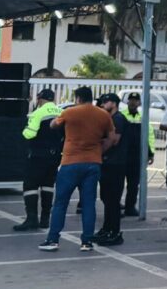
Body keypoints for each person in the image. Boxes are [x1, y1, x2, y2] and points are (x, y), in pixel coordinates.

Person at [38, 86, 117, 253]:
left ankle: (53, 239)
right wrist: (99, 151)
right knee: (89, 204)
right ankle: (86, 241)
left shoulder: (69, 112)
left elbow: (53, 125)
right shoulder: (103, 114)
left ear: (78, 98)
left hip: (70, 162)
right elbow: (111, 138)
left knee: (60, 203)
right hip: (93, 163)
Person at [14, 87, 65, 232]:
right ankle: (45, 219)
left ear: (41, 99)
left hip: (38, 155)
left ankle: (31, 219)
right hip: (55, 156)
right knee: (48, 185)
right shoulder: (61, 113)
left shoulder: (38, 113)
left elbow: (29, 134)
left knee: (30, 185)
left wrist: (23, 130)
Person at [95, 93, 128, 246]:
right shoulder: (109, 118)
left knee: (113, 200)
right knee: (106, 198)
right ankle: (106, 229)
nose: (102, 104)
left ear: (114, 103)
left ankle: (114, 232)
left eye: (105, 102)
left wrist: (97, 151)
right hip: (108, 163)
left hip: (116, 164)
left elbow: (113, 140)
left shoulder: (118, 119)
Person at [119, 92, 155, 217]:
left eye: (135, 100)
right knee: (118, 183)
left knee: (133, 184)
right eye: (131, 100)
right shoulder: (121, 115)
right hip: (122, 154)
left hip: (137, 156)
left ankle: (130, 207)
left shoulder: (143, 117)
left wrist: (150, 153)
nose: (133, 102)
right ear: (127, 102)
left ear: (139, 103)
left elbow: (149, 136)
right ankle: (117, 206)